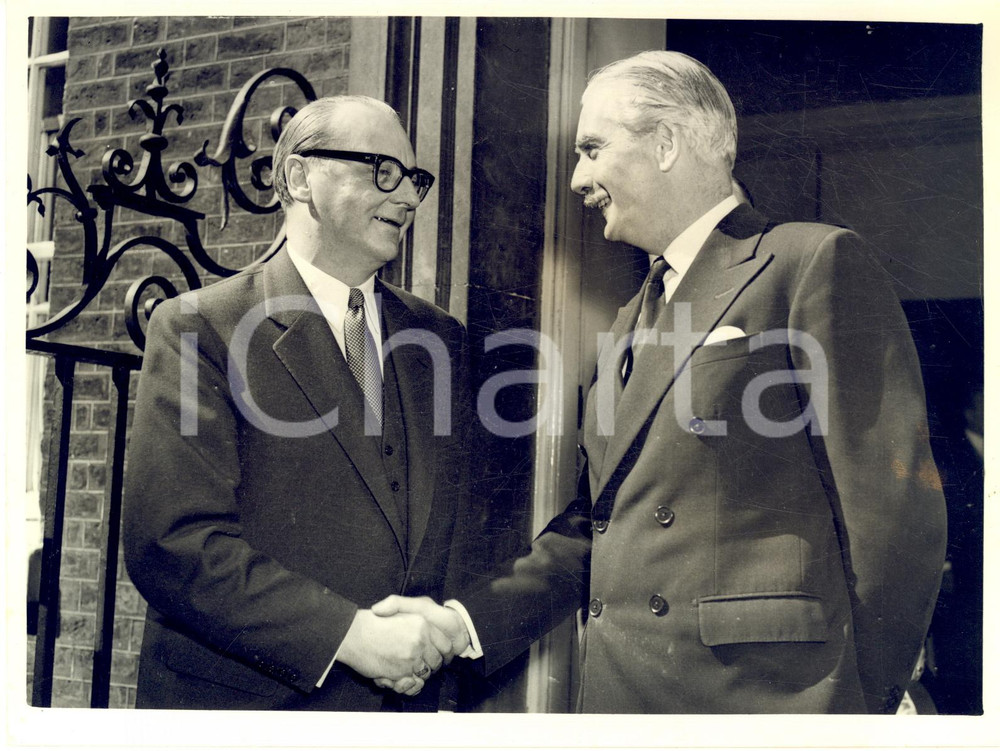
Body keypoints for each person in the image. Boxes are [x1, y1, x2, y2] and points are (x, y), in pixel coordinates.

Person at [375, 51, 948, 713]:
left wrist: (870, 699)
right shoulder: (623, 325)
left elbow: (893, 512)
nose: (576, 178)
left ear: (668, 141)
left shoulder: (808, 262)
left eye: (592, 148)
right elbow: (596, 528)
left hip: (768, 705)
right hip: (626, 701)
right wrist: (459, 624)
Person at [123, 95, 474, 711]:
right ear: (297, 176)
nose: (408, 199)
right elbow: (172, 544)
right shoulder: (201, 327)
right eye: (381, 171)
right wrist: (350, 636)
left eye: (414, 179)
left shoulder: (439, 339)